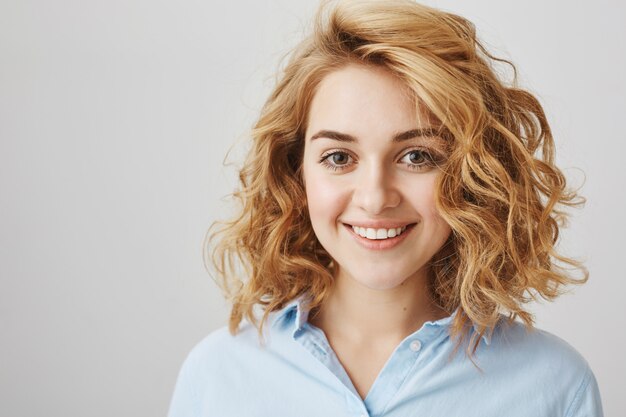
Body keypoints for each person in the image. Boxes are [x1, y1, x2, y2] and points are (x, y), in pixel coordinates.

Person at [168, 1, 603, 416]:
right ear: (295, 173)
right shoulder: (218, 377)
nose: (375, 198)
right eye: (339, 157)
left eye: (417, 156)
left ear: (474, 174)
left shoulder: (555, 386)